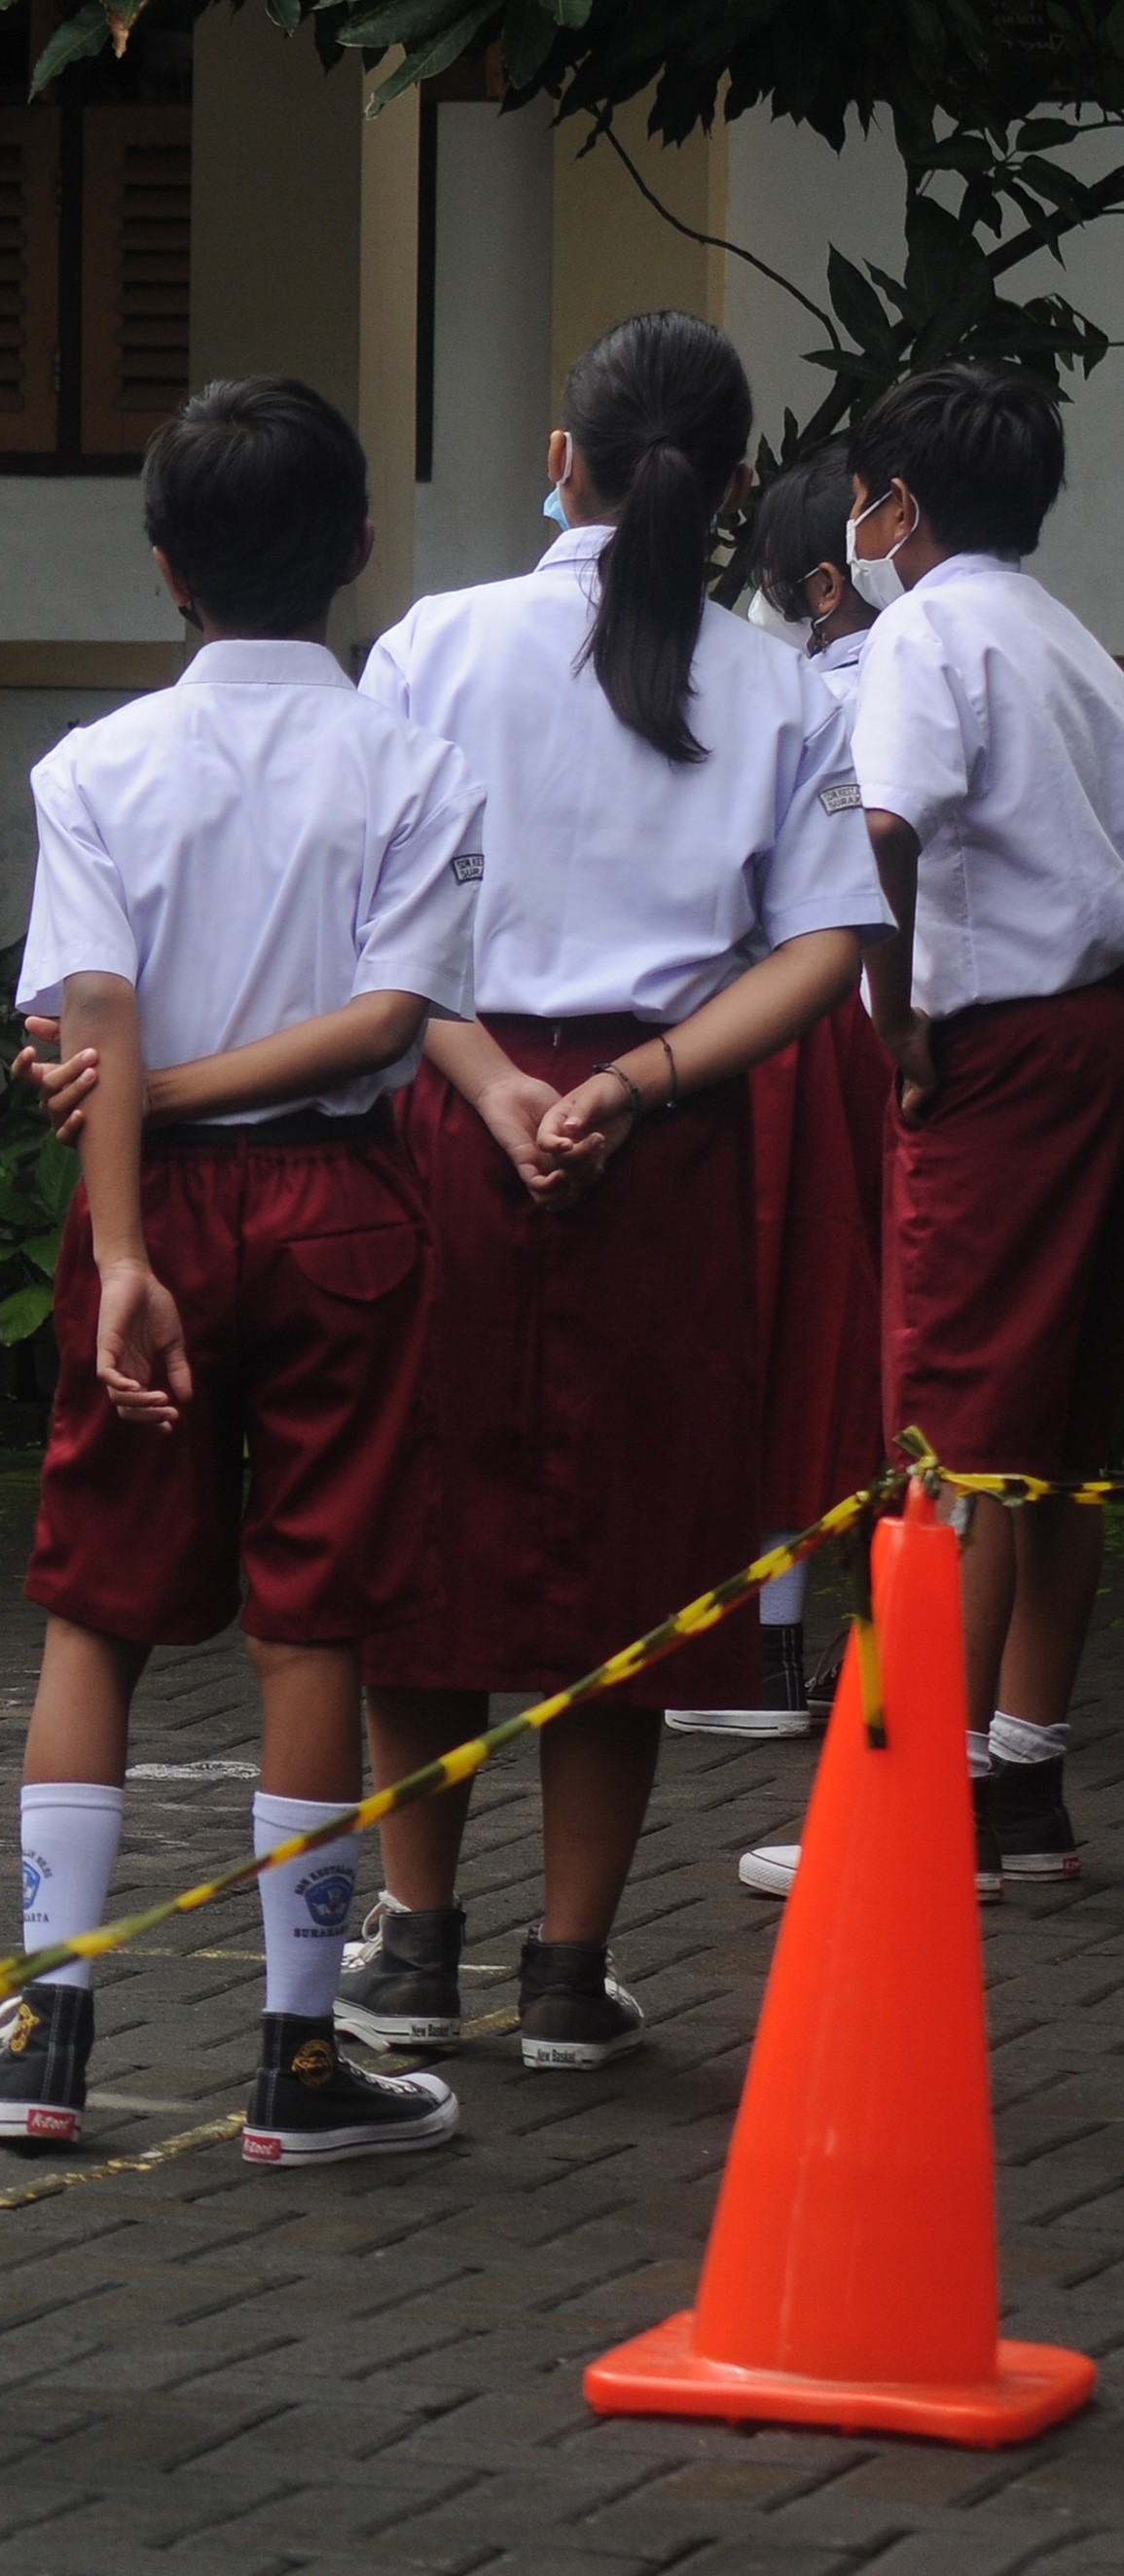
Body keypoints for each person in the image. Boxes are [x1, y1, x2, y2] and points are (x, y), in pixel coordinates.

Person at [327, 312, 885, 2071]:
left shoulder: (432, 645)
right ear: (734, 489)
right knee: (634, 1560)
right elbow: (826, 946)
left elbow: (361, 919)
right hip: (672, 1139)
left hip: (448, 1115)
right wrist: (637, 1082)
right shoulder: (780, 680)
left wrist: (496, 1078)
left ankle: (413, 1940)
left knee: (422, 1535)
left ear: (557, 458)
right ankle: (569, 1969)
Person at [0, 377, 484, 2167]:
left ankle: (47, 2027)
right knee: (313, 1614)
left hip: (152, 1204)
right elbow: (391, 1015)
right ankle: (297, 2053)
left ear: (165, 566)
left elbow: (90, 1019)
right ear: (353, 550)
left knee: (95, 1604)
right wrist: (168, 1083)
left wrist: (117, 1237)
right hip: (346, 1201)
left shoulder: (95, 765)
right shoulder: (415, 765)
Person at [813, 362, 1124, 1895]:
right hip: (1093, 1032)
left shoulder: (919, 630)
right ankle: (1020, 1780)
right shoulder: (1070, 639)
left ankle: (901, 1795)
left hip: (988, 1048)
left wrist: (893, 1022)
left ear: (896, 509)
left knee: (940, 1428)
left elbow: (882, 824)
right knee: (1057, 1433)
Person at [666, 450, 897, 1741]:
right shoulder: (864, 684)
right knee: (821, 1340)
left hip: (747, 1041)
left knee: (758, 1339)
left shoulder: (778, 689)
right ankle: (778, 1654)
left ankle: (746, 1655)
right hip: (845, 1044)